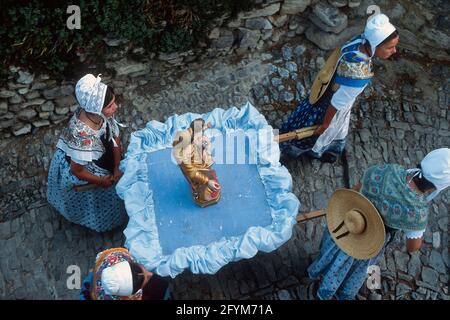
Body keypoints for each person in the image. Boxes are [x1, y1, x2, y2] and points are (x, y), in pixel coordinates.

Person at [307, 148, 450, 300]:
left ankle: (317, 271)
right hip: (368, 242)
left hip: (349, 221)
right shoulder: (418, 212)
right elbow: (412, 247)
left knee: (333, 251)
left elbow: (355, 191)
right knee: (351, 266)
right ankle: (342, 290)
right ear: (436, 186)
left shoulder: (390, 169)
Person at [280, 14, 399, 163]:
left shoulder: (357, 42)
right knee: (324, 131)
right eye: (390, 47)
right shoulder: (359, 74)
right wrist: (324, 124)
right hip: (331, 106)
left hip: (326, 92)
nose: (394, 51)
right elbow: (337, 103)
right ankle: (307, 152)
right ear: (375, 45)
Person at [47, 74, 127, 232]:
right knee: (99, 201)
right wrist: (100, 181)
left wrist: (117, 166)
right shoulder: (82, 136)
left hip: (104, 157)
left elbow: (114, 137)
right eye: (110, 105)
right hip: (87, 169)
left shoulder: (99, 114)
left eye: (114, 102)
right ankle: (105, 224)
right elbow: (77, 170)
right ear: (97, 108)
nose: (115, 107)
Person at [80, 247, 171, 300]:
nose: (150, 274)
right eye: (146, 279)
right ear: (133, 294)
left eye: (141, 268)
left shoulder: (116, 259)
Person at [172, 118, 221, 207]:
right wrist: (207, 181)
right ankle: (198, 193)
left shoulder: (192, 132)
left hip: (198, 160)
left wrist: (207, 126)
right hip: (194, 170)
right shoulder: (184, 154)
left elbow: (200, 130)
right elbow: (192, 172)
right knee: (197, 183)